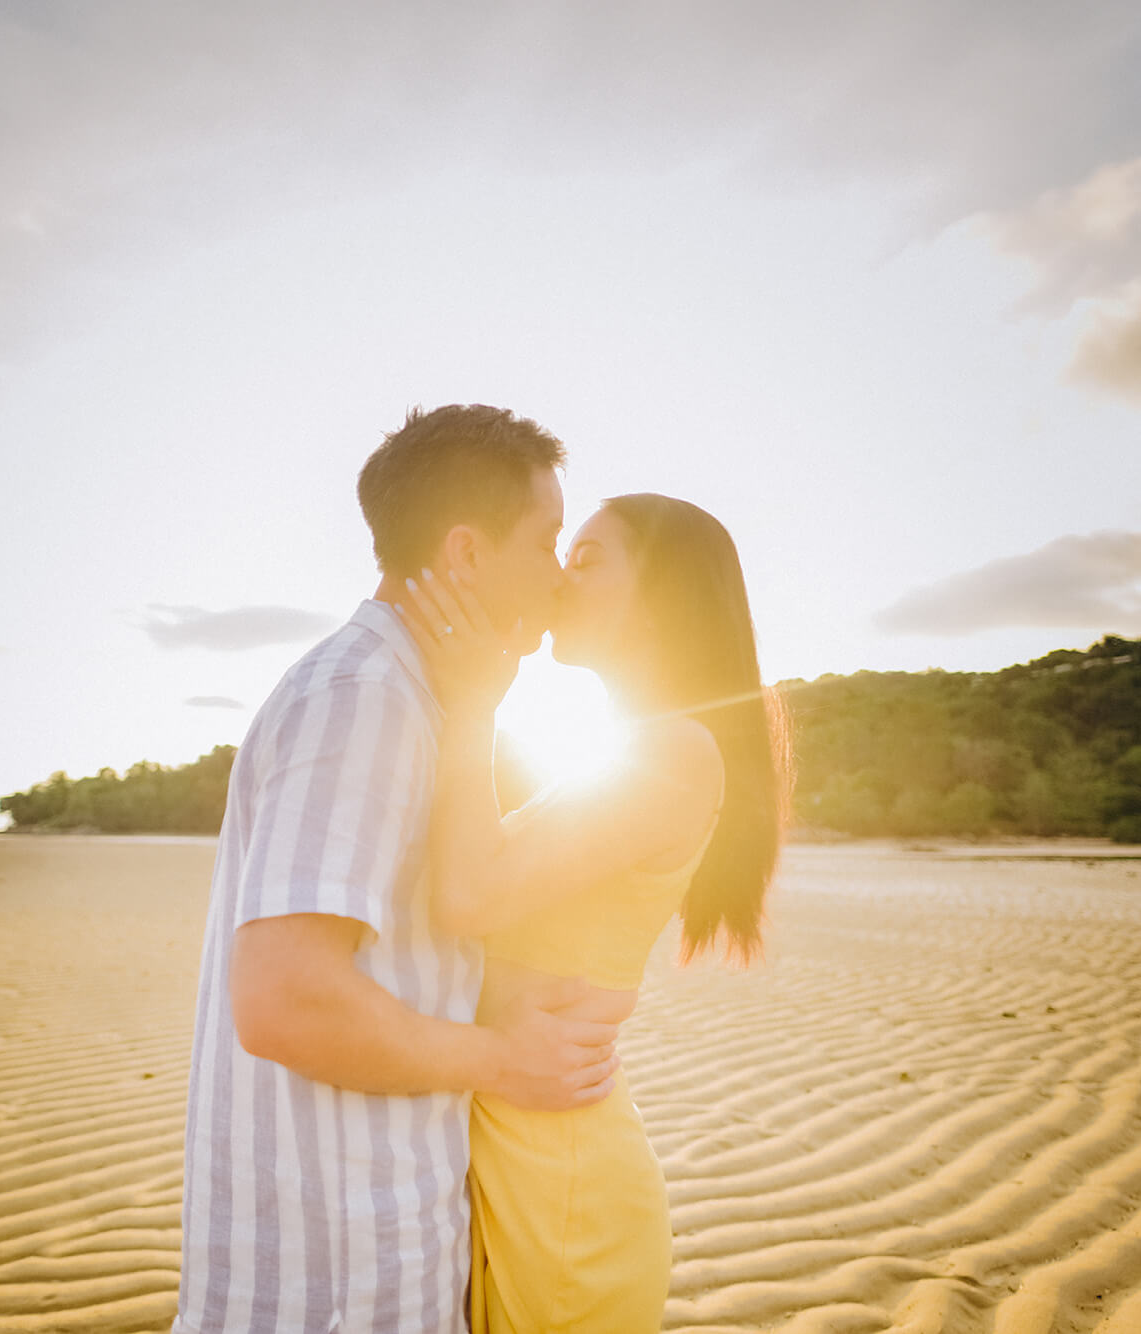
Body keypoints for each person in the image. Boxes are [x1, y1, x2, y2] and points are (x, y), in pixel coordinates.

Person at [172, 404, 623, 1334]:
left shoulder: (420, 701)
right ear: (464, 553)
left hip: (372, 1244)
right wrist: (507, 1061)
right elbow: (286, 1000)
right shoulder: (364, 698)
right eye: (544, 543)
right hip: (332, 1277)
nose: (555, 578)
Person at [398, 491, 790, 1332]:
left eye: (585, 560)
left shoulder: (673, 751)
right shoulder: (634, 747)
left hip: (561, 1185)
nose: (558, 578)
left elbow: (468, 894)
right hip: (519, 1136)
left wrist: (473, 697)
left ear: (662, 590)